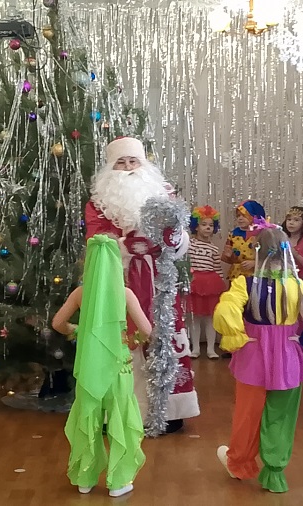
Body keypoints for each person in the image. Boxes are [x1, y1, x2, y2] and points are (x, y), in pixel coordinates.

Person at [84, 136, 198, 433]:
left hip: (159, 280)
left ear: (143, 164)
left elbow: (179, 236)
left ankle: (169, 411)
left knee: (165, 336)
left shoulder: (164, 195)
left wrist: (173, 240)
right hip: (119, 279)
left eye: (133, 161)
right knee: (122, 342)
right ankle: (121, 413)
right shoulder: (98, 204)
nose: (128, 168)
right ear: (111, 168)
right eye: (120, 163)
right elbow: (95, 241)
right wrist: (126, 245)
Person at [214, 224, 303, 493]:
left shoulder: (245, 284)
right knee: (281, 417)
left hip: (252, 358)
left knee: (247, 415)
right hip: (288, 358)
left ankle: (239, 464)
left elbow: (226, 308)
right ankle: (274, 474)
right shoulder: (299, 286)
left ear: (257, 251)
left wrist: (236, 336)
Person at [52, 235, 151, 497]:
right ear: (117, 262)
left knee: (89, 418)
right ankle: (118, 481)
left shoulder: (80, 293)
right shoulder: (125, 294)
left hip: (89, 368)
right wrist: (134, 341)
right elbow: (146, 329)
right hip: (119, 368)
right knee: (120, 418)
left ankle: (85, 478)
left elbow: (57, 323)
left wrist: (78, 331)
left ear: (88, 263)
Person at [187, 205, 228, 359]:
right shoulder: (190, 245)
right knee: (195, 317)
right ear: (196, 227)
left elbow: (217, 268)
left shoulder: (213, 249)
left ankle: (211, 348)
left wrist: (222, 287)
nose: (207, 228)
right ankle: (196, 348)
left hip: (211, 284)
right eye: (204, 224)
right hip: (195, 283)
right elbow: (186, 263)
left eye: (211, 225)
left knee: (210, 318)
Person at [221, 200, 266, 281]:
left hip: (256, 277)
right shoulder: (233, 234)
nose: (240, 218)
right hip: (236, 276)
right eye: (238, 216)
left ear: (254, 216)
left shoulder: (263, 234)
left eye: (244, 215)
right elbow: (229, 259)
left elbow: (271, 258)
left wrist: (255, 263)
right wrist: (229, 256)